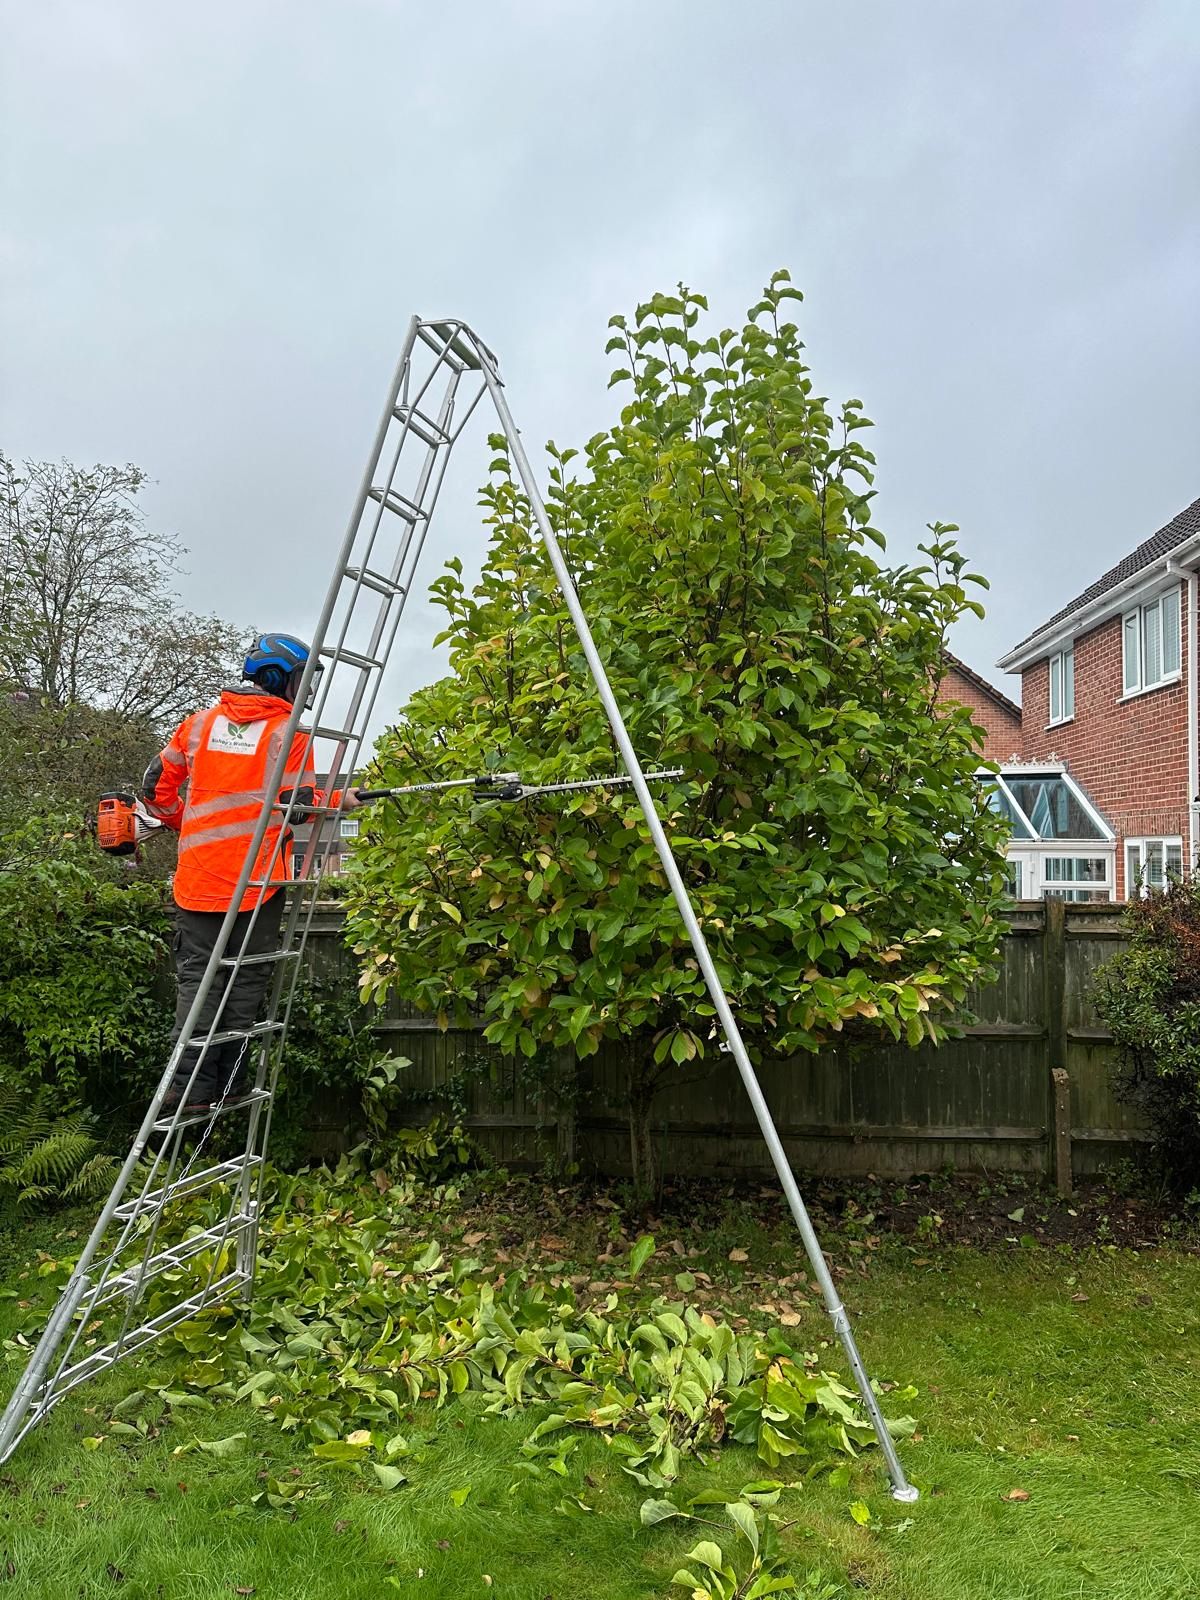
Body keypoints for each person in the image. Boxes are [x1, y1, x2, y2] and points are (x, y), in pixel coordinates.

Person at [141, 633, 361, 1113]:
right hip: (255, 885)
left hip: (197, 880)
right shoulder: (290, 736)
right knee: (244, 985)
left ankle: (190, 1091)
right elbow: (296, 807)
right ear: (279, 677)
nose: (305, 689)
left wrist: (184, 823)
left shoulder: (198, 724)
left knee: (197, 986)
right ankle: (231, 1086)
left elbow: (154, 787)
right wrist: (338, 800)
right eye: (302, 678)